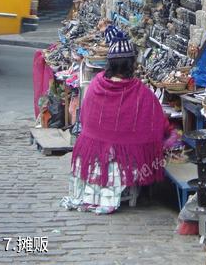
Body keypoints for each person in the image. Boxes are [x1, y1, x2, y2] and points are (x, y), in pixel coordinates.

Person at [61, 27, 177, 214]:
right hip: (122, 161)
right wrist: (171, 134)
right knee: (160, 144)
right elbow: (157, 122)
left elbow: (84, 118)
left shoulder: (96, 85)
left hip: (90, 157)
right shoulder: (141, 93)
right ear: (131, 65)